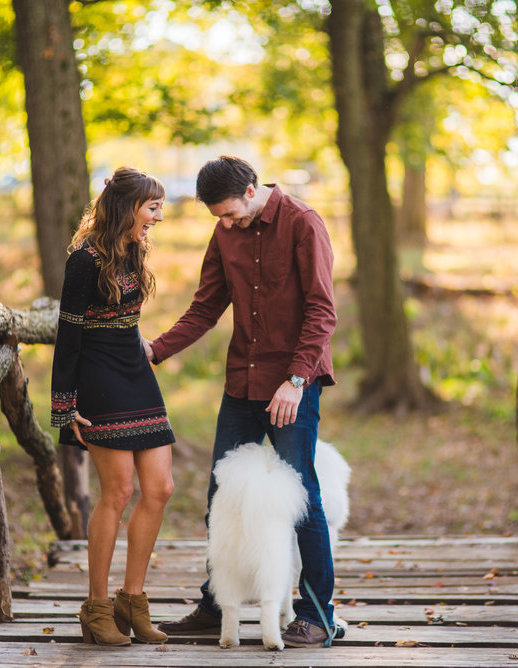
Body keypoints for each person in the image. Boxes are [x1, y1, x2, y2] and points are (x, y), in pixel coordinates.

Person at [144, 155, 338, 647]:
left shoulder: (303, 224)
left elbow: (321, 310)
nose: (227, 224)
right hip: (241, 383)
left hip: (293, 385)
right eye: (220, 218)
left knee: (304, 499)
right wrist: (156, 349)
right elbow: (207, 305)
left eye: (231, 214)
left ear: (252, 189)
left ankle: (317, 614)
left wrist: (296, 381)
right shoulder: (225, 232)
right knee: (220, 498)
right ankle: (216, 603)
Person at [50, 166, 175, 647]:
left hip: (135, 373)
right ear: (127, 208)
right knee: (117, 492)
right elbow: (69, 335)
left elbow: (123, 314)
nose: (158, 217)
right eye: (152, 207)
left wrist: (141, 340)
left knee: (160, 487)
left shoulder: (133, 248)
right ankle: (97, 607)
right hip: (98, 381)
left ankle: (132, 600)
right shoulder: (84, 259)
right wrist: (65, 406)